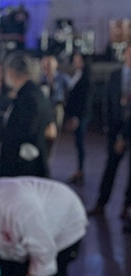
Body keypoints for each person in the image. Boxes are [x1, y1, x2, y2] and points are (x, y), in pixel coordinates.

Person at [0, 52, 54, 179]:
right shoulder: (35, 93)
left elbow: (23, 132)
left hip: (23, 169)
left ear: (11, 71)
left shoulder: (27, 98)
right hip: (32, 164)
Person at [91, 45, 131, 221]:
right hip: (115, 130)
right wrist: (110, 130)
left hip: (129, 131)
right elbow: (109, 103)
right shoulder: (115, 75)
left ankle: (127, 207)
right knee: (110, 168)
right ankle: (101, 203)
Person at [63, 52, 92, 185]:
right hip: (76, 115)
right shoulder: (77, 75)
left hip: (80, 116)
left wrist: (76, 117)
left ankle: (80, 171)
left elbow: (84, 101)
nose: (75, 61)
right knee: (77, 143)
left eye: (77, 59)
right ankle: (79, 170)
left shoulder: (85, 78)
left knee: (80, 143)